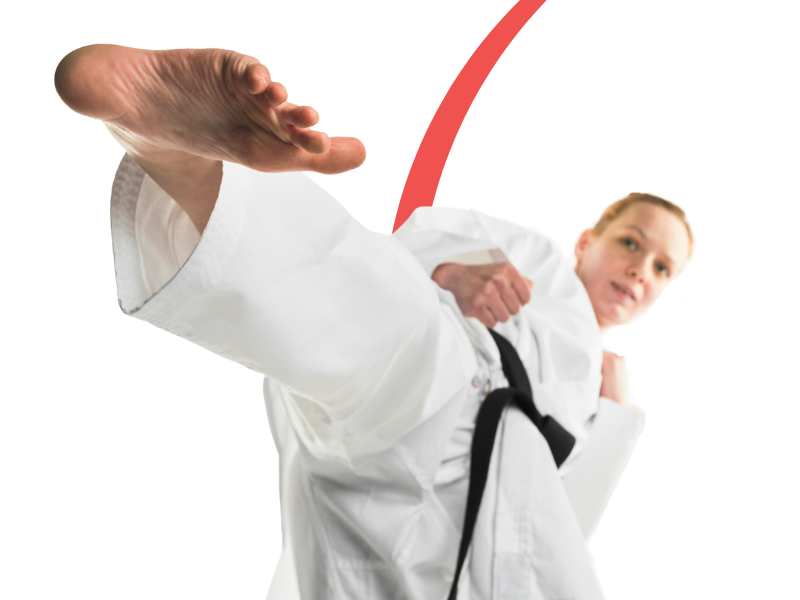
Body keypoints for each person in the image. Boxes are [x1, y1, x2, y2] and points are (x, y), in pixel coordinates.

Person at [55, 44, 692, 600]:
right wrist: (453, 271)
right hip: (440, 392)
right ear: (589, 240)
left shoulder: (606, 396)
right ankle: (179, 154)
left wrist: (618, 426)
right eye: (633, 244)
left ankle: (177, 155)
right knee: (383, 316)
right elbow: (407, 250)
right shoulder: (538, 261)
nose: (642, 271)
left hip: (458, 535)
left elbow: (560, 527)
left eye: (664, 268)